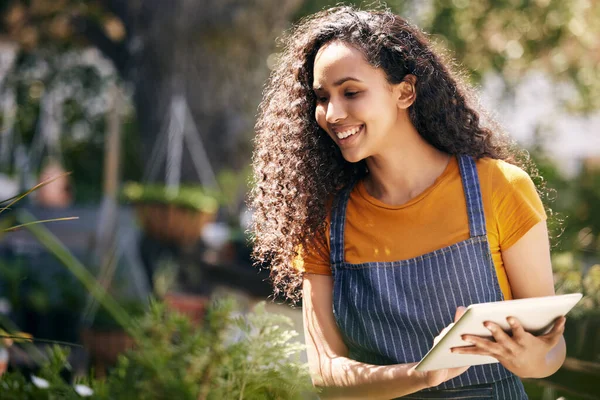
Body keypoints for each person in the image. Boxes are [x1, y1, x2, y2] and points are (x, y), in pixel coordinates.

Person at [249, 6, 565, 399]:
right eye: (321, 97)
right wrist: (422, 374)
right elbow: (326, 372)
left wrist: (527, 357)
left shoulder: (499, 188)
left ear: (405, 92)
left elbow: (550, 350)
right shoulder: (326, 218)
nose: (332, 113)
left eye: (351, 92)